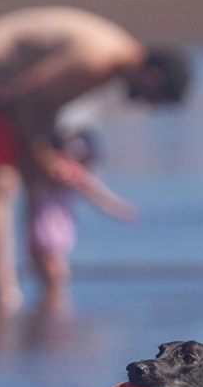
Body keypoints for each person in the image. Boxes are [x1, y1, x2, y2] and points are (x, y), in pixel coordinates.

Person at [0, 7, 189, 311]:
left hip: (13, 82)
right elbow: (25, 95)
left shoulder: (114, 59)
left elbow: (44, 103)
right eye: (150, 99)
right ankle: (4, 291)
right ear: (152, 78)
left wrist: (46, 154)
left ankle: (45, 286)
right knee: (1, 182)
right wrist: (43, 153)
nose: (143, 104)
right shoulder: (96, 61)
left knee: (35, 177)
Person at [25, 124, 137, 311]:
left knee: (53, 274)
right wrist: (119, 208)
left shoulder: (65, 170)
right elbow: (96, 193)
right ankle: (51, 309)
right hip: (46, 228)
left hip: (49, 229)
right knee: (50, 273)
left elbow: (95, 192)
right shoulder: (54, 168)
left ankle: (53, 310)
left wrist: (119, 208)